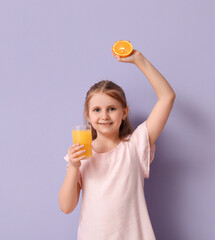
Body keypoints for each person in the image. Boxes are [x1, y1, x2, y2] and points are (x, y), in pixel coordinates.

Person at [59, 48, 176, 240]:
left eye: (111, 108)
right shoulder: (81, 153)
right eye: (97, 110)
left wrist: (139, 60)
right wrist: (73, 166)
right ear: (88, 115)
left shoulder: (136, 145)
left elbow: (167, 97)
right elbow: (66, 207)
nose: (104, 116)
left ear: (124, 112)